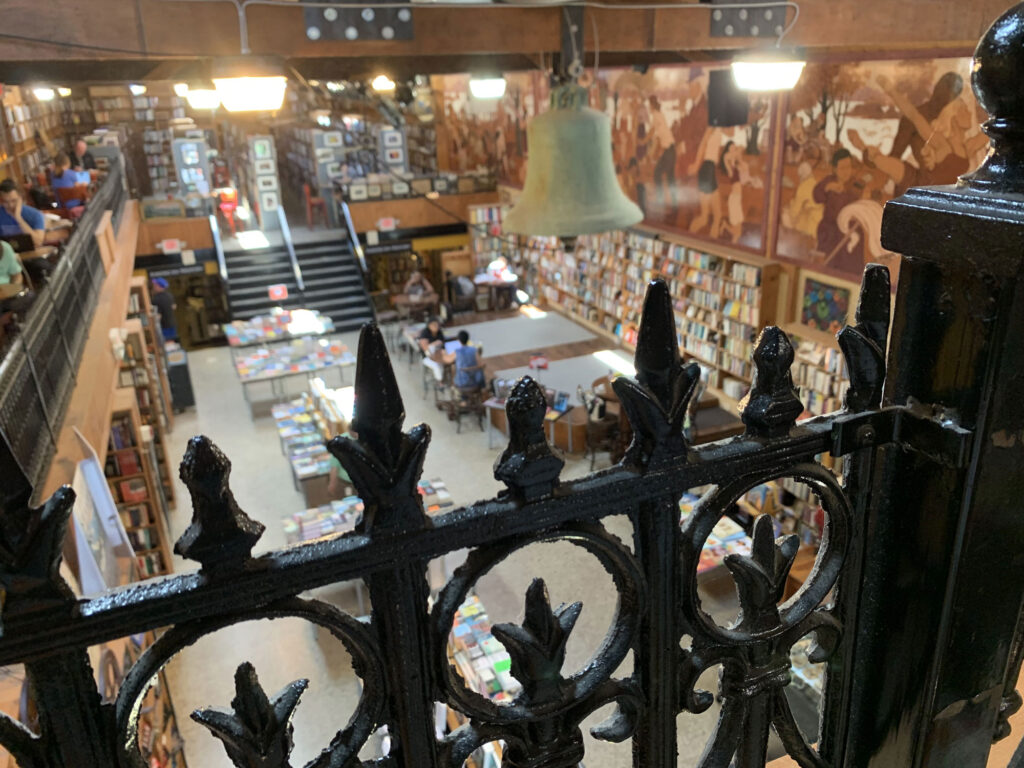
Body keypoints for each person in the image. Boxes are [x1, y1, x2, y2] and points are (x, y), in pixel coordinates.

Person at [0, 180, 45, 248]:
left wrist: (18, 218)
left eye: (13, 200)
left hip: (31, 255)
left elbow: (38, 242)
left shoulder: (35, 214)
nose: (10, 205)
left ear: (20, 198)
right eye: (6, 202)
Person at [0, 240, 33, 315]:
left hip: (6, 295)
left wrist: (13, 290)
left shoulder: (5, 247)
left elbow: (17, 275)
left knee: (30, 297)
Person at [418, 316, 446, 382]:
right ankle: (440, 382)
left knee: (443, 363)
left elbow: (443, 344)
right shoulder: (425, 333)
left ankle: (442, 379)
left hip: (438, 354)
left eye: (437, 325)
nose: (436, 326)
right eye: (434, 325)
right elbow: (425, 349)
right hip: (427, 357)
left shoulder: (439, 332)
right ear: (429, 325)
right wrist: (434, 343)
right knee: (436, 365)